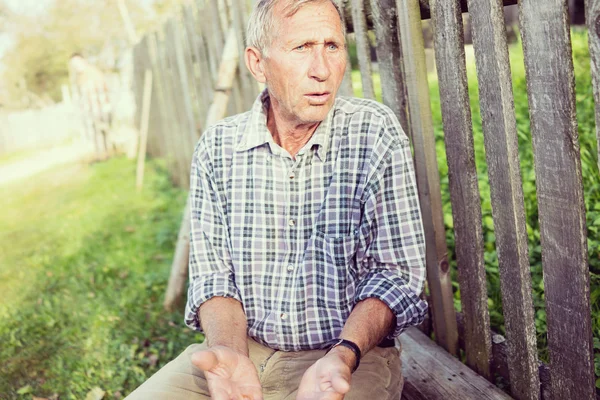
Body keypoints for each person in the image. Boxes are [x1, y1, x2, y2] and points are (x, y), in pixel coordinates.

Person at [126, 0, 428, 399]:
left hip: (345, 356)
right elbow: (214, 277)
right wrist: (230, 355)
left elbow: (396, 275)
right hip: (242, 347)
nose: (322, 69)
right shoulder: (218, 147)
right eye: (302, 48)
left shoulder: (374, 133)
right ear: (257, 64)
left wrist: (344, 353)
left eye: (332, 46)